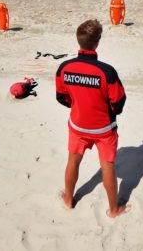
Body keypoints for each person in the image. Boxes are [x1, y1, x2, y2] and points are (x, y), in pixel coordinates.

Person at [55, 19, 128, 218]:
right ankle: (114, 209)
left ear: (79, 41)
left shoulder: (64, 68)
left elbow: (61, 97)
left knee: (73, 161)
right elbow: (118, 103)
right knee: (108, 167)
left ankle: (69, 199)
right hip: (103, 129)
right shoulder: (107, 71)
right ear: (97, 43)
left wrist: (79, 105)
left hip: (78, 126)